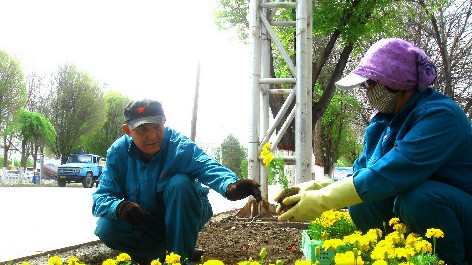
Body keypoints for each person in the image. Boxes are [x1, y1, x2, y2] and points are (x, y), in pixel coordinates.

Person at [275, 38, 472, 264]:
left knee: (418, 199)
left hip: (462, 212)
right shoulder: (383, 122)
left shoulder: (440, 116)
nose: (365, 91)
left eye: (369, 84)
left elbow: (392, 173)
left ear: (395, 83)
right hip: (434, 212)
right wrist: (314, 187)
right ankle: (394, 258)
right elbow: (363, 176)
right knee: (364, 202)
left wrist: (322, 201)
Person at [92, 99, 262, 264]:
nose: (152, 136)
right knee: (105, 228)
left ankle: (178, 257)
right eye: (143, 129)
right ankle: (168, 254)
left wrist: (230, 185)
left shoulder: (178, 145)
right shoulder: (118, 152)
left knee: (180, 183)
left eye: (157, 127)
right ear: (128, 130)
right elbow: (101, 197)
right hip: (146, 221)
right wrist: (120, 207)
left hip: (185, 215)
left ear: (164, 122)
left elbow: (207, 165)